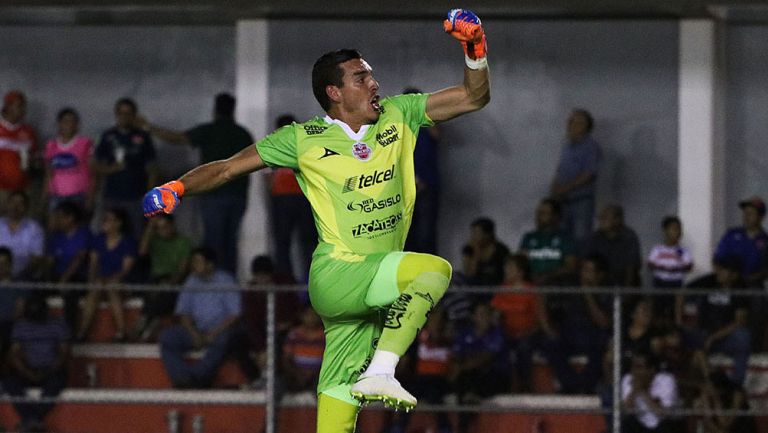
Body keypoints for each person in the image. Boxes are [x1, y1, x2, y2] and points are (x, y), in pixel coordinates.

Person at [142, 8, 489, 432]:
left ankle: (367, 379)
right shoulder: (301, 139)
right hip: (339, 272)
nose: (374, 83)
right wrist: (177, 187)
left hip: (374, 283)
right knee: (433, 271)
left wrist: (474, 48)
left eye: (371, 74)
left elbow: (474, 97)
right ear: (335, 92)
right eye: (361, 78)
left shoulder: (402, 114)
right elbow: (230, 167)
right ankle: (382, 369)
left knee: (340, 399)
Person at [140, 93, 254, 273]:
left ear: (215, 110)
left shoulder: (209, 130)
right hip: (238, 195)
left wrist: (148, 127)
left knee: (213, 242)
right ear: (233, 110)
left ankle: (212, 280)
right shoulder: (243, 134)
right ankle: (228, 282)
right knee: (230, 242)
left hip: (213, 193)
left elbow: (177, 138)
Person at [159, 247, 242, 388]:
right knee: (168, 337)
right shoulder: (191, 280)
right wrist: (193, 333)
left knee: (226, 339)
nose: (193, 265)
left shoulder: (226, 280)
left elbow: (235, 315)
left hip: (220, 330)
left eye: (198, 261)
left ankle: (197, 377)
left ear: (210, 264)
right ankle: (182, 378)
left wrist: (214, 333)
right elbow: (183, 312)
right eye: (193, 262)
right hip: (196, 329)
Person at [5, 294, 70, 433]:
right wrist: (27, 372)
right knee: (9, 382)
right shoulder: (20, 326)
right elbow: (14, 354)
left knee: (57, 382)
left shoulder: (58, 324)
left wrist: (49, 370)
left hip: (51, 370)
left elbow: (63, 353)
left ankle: (30, 421)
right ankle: (33, 421)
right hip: (28, 369)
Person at [94, 97, 158, 237]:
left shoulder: (143, 136)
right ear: (116, 114)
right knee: (109, 235)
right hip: (112, 195)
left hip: (136, 195)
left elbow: (152, 169)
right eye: (121, 113)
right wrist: (112, 169)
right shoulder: (107, 136)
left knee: (135, 233)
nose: (124, 116)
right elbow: (96, 165)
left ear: (134, 115)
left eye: (128, 113)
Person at [682, 257, 751, 386]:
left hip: (723, 337)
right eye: (718, 268)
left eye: (723, 270)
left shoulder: (741, 288)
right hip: (702, 333)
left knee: (743, 337)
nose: (718, 271)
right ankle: (710, 382)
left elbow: (739, 322)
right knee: (688, 336)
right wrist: (679, 320)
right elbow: (681, 293)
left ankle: (736, 385)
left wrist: (713, 338)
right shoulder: (709, 280)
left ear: (734, 274)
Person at [264, 115, 317, 280]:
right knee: (296, 243)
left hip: (291, 199)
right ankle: (296, 281)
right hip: (296, 198)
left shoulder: (274, 146)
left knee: (295, 243)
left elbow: (268, 179)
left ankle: (299, 281)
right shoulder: (303, 146)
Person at [490, 253, 551, 392]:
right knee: (498, 344)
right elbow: (495, 314)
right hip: (507, 334)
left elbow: (538, 320)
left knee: (524, 346)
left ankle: (525, 386)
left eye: (510, 267)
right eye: (506, 267)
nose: (506, 270)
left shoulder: (532, 291)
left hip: (529, 334)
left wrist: (526, 333)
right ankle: (501, 385)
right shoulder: (502, 290)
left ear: (521, 271)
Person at [77, 207, 137, 342]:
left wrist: (110, 280)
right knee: (95, 289)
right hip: (101, 280)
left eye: (108, 220)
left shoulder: (128, 242)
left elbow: (125, 270)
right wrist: (93, 280)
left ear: (118, 223)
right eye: (104, 220)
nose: (104, 223)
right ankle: (82, 331)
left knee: (112, 288)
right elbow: (93, 264)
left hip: (121, 282)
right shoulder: (98, 240)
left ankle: (121, 332)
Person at [135, 213, 192, 341]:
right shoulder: (155, 240)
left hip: (174, 278)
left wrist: (170, 283)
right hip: (155, 279)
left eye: (166, 226)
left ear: (173, 225)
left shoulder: (184, 241)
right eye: (160, 228)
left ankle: (146, 319)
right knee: (153, 289)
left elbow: (183, 270)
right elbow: (142, 251)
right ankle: (150, 322)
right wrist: (150, 226)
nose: (164, 230)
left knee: (164, 293)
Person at [549, 108, 601, 250]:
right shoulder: (567, 146)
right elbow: (561, 170)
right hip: (563, 201)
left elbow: (589, 174)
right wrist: (554, 186)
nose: (572, 124)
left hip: (580, 201)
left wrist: (564, 188)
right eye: (571, 121)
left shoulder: (591, 146)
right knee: (563, 238)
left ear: (587, 126)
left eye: (578, 122)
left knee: (581, 239)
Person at [403, 87, 441, 255]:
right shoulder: (399, 127)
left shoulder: (427, 123)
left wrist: (421, 112)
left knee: (426, 236)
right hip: (405, 188)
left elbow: (437, 133)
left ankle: (429, 275)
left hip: (427, 185)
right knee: (407, 235)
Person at [45, 201, 92, 330]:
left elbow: (79, 258)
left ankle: (68, 333)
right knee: (37, 288)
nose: (56, 220)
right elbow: (50, 261)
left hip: (77, 276)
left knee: (71, 295)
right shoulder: (55, 237)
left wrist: (65, 278)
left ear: (70, 217)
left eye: (59, 217)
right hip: (58, 275)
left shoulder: (84, 233)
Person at [42, 108, 95, 212]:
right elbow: (48, 173)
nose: (69, 124)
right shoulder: (51, 145)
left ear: (77, 124)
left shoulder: (85, 143)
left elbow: (93, 172)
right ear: (59, 123)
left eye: (72, 121)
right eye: (65, 121)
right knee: (56, 226)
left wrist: (90, 197)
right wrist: (45, 195)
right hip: (56, 195)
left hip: (79, 195)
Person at [518, 198, 578, 285]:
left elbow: (571, 266)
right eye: (538, 213)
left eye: (543, 213)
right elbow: (520, 263)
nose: (538, 217)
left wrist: (548, 276)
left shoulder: (565, 238)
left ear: (555, 216)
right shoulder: (528, 237)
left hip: (557, 285)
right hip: (530, 285)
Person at [621, 351, 679, 433]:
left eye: (639, 367)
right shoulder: (628, 379)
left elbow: (663, 414)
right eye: (633, 367)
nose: (635, 371)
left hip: (662, 425)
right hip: (639, 426)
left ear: (652, 370)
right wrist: (634, 391)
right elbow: (626, 411)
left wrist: (643, 391)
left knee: (667, 425)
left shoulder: (666, 380)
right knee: (626, 423)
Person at [585, 204, 642, 287]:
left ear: (617, 220)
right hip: (602, 281)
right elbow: (587, 262)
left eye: (604, 217)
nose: (600, 220)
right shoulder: (595, 237)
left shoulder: (629, 236)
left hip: (623, 280)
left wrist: (627, 292)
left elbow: (631, 267)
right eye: (600, 217)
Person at [0, 90, 38, 198]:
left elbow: (34, 159)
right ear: (8, 106)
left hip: (22, 189)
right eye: (19, 106)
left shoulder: (29, 132)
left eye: (24, 106)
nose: (23, 110)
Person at [0, 191, 45, 279]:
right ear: (7, 204)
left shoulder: (34, 228)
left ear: (26, 207)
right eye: (12, 202)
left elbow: (37, 258)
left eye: (20, 203)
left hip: (23, 278)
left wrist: (19, 277)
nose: (15, 206)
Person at [282, 306, 326, 393]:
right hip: (297, 375)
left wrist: (314, 374)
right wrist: (297, 373)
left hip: (318, 376)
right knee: (279, 384)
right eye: (308, 315)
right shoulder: (294, 334)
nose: (311, 318)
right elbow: (286, 359)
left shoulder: (326, 335)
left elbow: (330, 360)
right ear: (302, 316)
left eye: (314, 315)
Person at [463, 217, 511, 288]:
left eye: (477, 233)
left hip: (496, 286)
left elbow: (507, 275)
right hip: (475, 287)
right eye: (472, 233)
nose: (473, 236)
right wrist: (476, 253)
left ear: (488, 235)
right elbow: (469, 274)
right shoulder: (469, 249)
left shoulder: (501, 250)